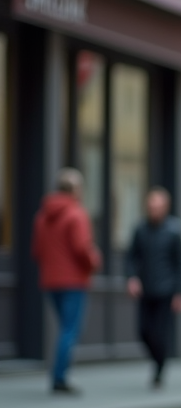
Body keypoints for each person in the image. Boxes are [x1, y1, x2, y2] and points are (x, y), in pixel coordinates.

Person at [32, 168, 101, 394]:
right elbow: (83, 249)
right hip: (73, 281)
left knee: (64, 328)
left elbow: (37, 251)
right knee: (69, 330)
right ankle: (59, 378)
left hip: (50, 281)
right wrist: (94, 261)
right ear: (75, 189)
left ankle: (59, 376)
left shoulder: (42, 216)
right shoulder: (76, 214)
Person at [127, 188, 181, 387]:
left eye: (157, 207)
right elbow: (132, 257)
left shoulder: (174, 230)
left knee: (159, 333)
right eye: (151, 207)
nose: (154, 211)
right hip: (145, 289)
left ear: (165, 208)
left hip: (166, 291)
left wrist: (180, 292)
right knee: (143, 331)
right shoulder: (140, 229)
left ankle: (159, 369)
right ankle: (158, 360)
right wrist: (132, 278)